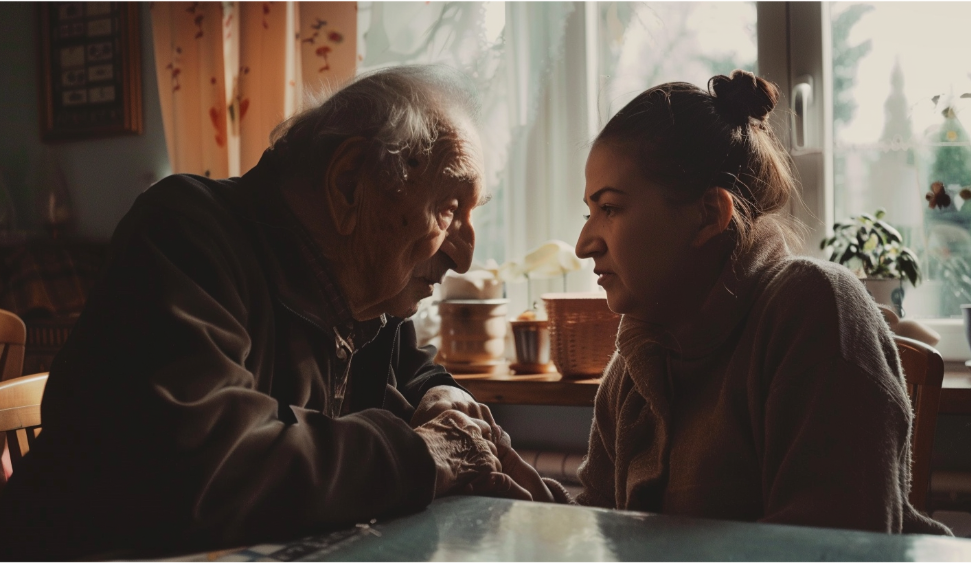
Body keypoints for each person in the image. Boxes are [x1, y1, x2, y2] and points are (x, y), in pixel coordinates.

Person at [0, 65, 556, 561]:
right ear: (347, 184)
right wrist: (419, 454)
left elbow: (412, 372)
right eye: (448, 208)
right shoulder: (184, 233)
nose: (464, 252)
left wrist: (443, 397)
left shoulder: (368, 295)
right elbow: (207, 465)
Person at [572, 70, 950, 535]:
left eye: (609, 208)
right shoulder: (640, 353)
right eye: (588, 213)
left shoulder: (814, 310)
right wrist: (506, 479)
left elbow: (835, 546)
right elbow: (595, 524)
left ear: (708, 214)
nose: (584, 243)